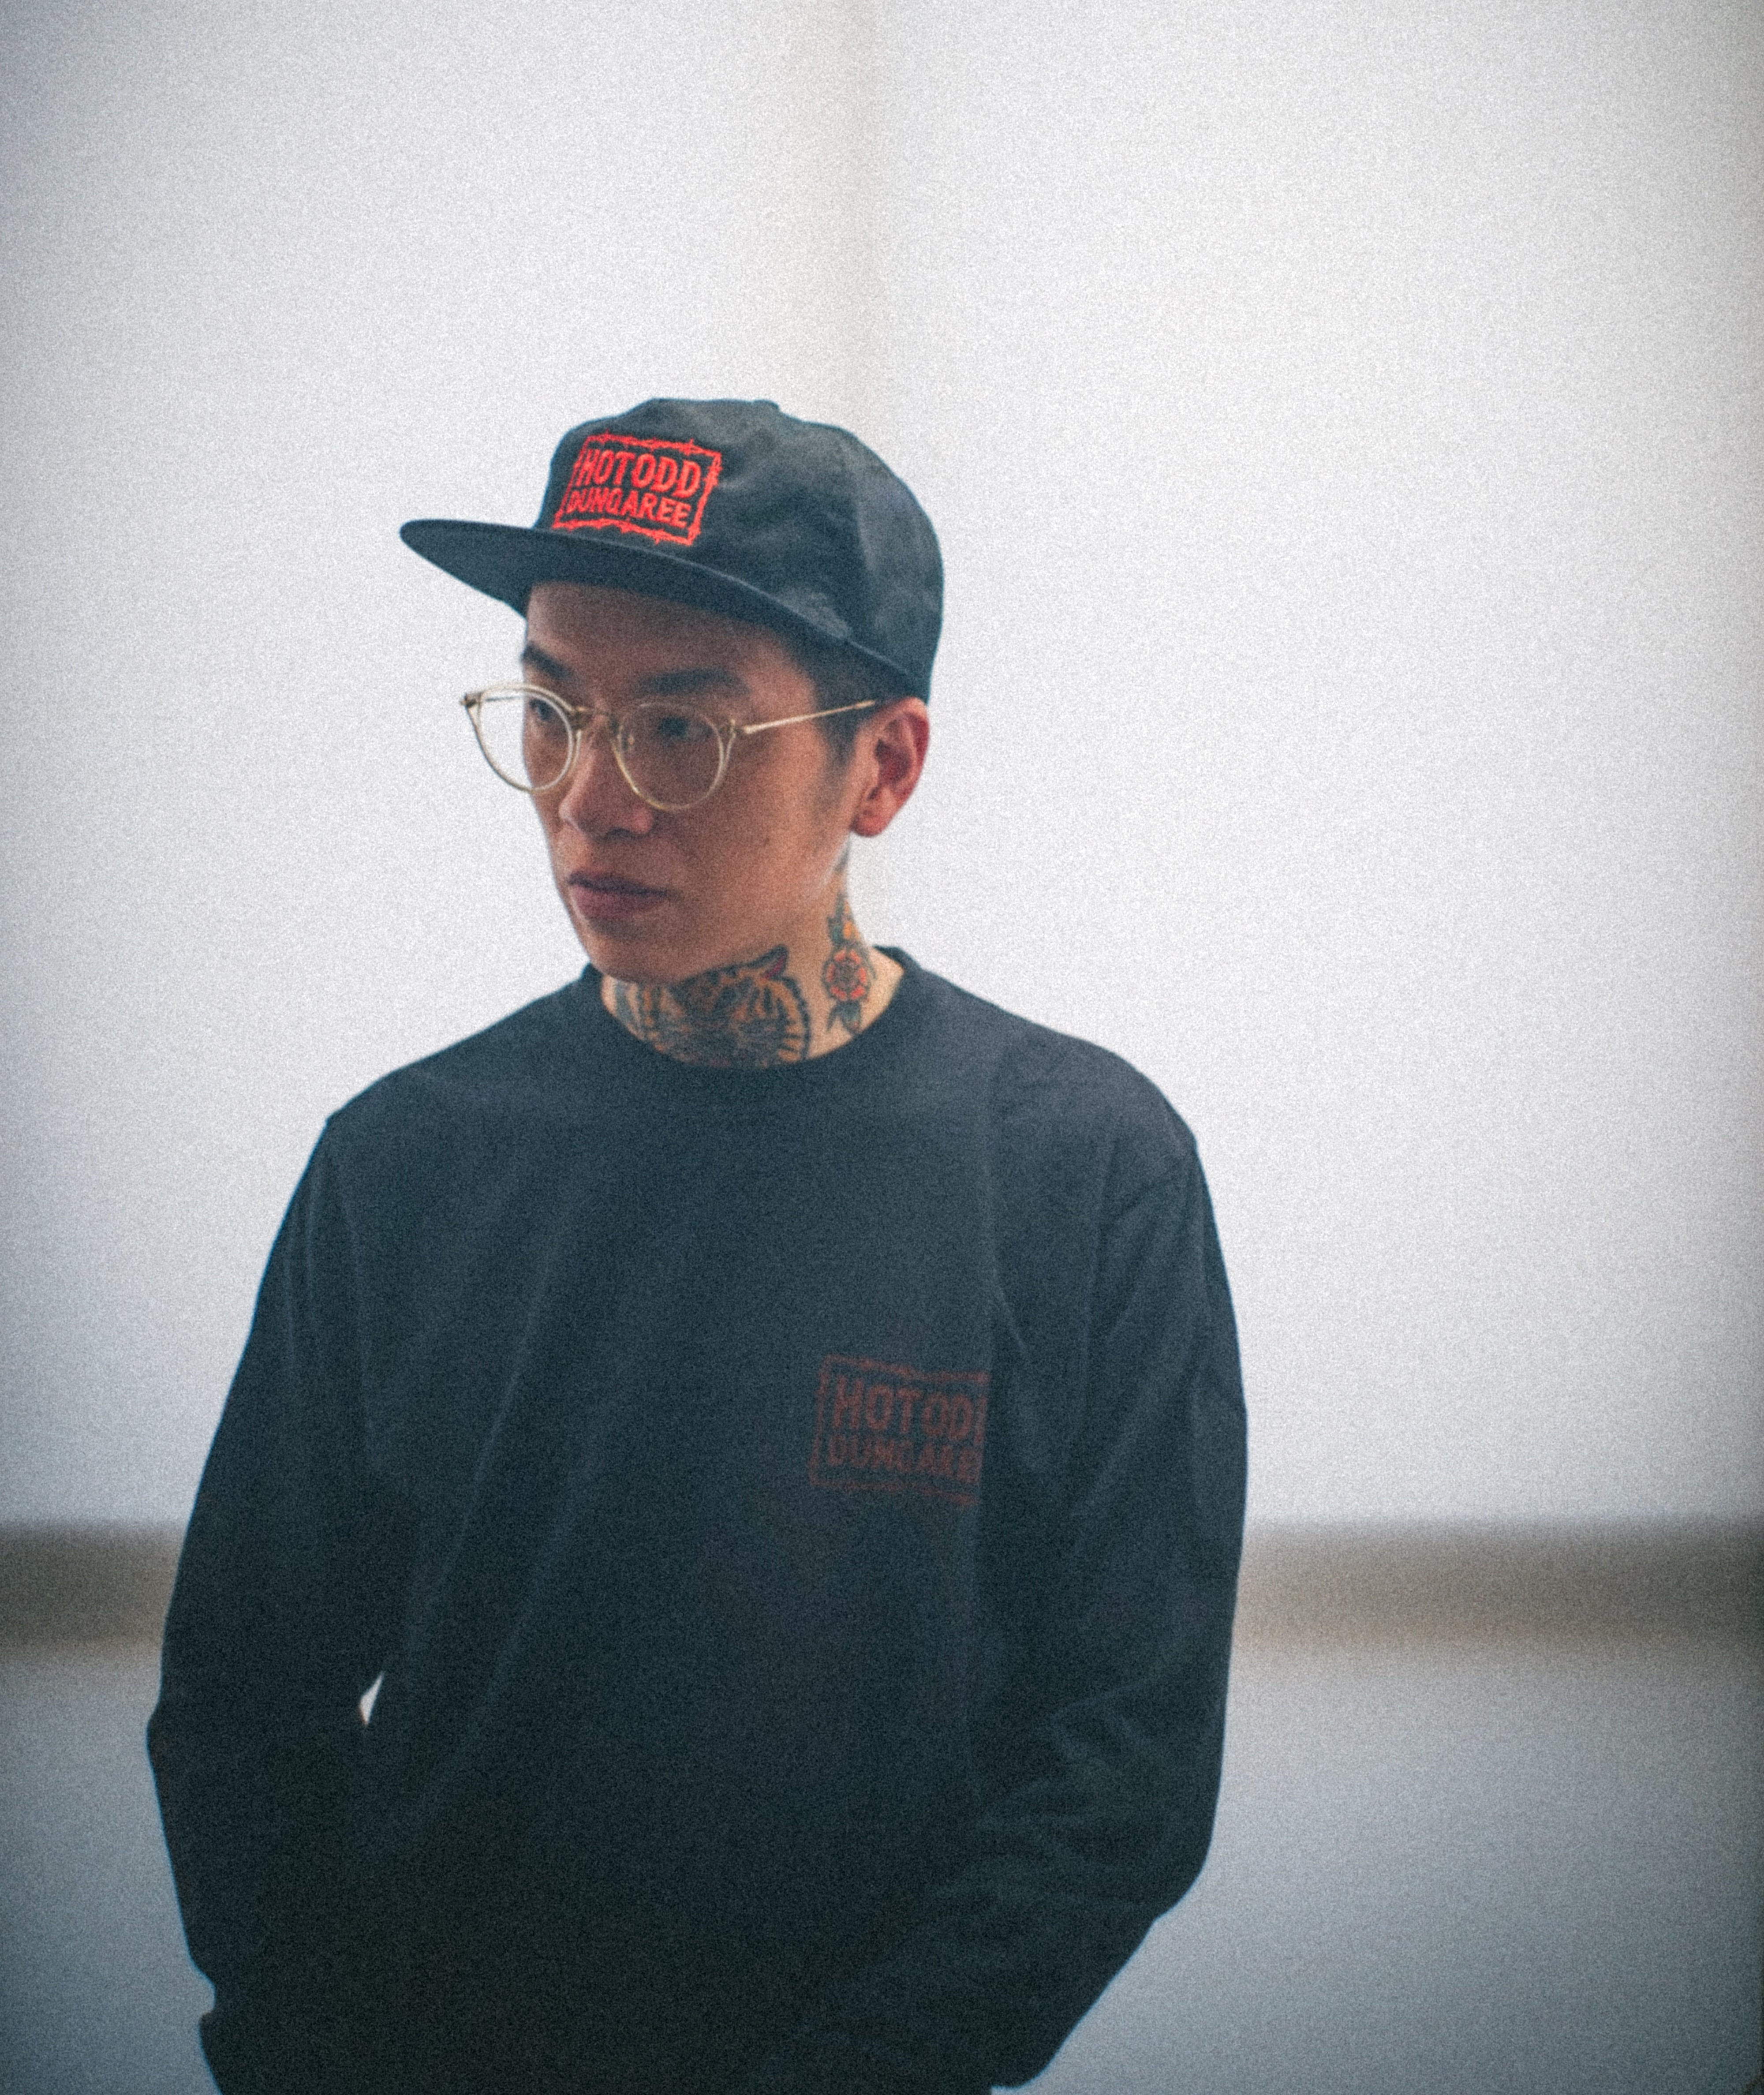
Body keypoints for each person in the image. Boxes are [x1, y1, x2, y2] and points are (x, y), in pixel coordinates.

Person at [148, 396, 1247, 2095]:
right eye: (550, 714)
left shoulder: (1083, 1175)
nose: (593, 799)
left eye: (683, 730)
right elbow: (243, 1705)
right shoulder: (405, 1164)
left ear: (882, 768)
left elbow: (1122, 1770)